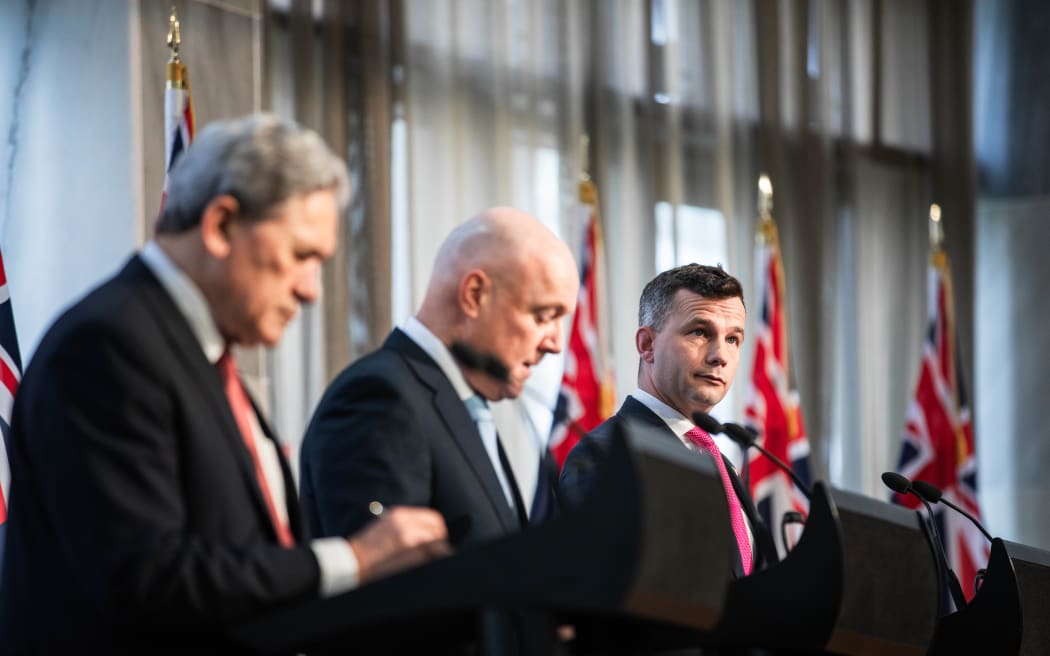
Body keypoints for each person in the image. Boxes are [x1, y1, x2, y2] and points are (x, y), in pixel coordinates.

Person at [0, 114, 448, 655]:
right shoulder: (106, 346)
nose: (312, 292)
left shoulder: (198, 358)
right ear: (220, 226)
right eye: (302, 256)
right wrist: (353, 558)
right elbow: (148, 579)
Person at [299, 208, 578, 548]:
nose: (556, 343)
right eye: (543, 316)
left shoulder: (465, 404)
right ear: (475, 295)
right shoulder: (379, 398)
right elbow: (385, 581)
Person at [560, 263, 777, 577]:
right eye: (700, 332)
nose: (721, 355)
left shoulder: (721, 465)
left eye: (733, 339)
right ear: (647, 345)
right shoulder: (605, 456)